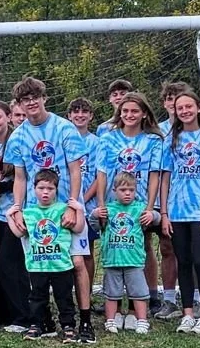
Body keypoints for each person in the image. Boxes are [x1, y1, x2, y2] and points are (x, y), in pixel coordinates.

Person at [6, 76, 93, 343]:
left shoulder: (64, 128)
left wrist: (72, 205)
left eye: (35, 97)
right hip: (36, 213)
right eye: (25, 99)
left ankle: (84, 322)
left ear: (44, 98)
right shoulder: (18, 136)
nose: (31, 102)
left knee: (76, 263)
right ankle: (43, 320)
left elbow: (74, 169)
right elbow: (20, 177)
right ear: (20, 104)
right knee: (38, 266)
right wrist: (18, 207)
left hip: (64, 208)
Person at [94, 91, 163, 326]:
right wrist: (102, 203)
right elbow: (102, 172)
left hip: (140, 202)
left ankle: (136, 308)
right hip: (115, 203)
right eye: (125, 111)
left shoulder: (153, 140)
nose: (130, 115)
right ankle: (114, 307)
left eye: (134, 111)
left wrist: (150, 206)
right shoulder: (108, 138)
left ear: (144, 113)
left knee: (140, 249)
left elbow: (155, 174)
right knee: (115, 247)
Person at [159, 88, 200, 336]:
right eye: (179, 108)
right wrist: (164, 213)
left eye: (188, 106)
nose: (184, 111)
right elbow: (165, 178)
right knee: (183, 262)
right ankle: (187, 314)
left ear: (198, 108)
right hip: (177, 212)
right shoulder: (171, 140)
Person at [19, 169, 79, 343]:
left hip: (61, 264)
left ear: (56, 190)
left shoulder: (63, 209)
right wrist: (11, 214)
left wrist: (78, 209)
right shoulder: (28, 212)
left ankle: (68, 326)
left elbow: (79, 228)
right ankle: (37, 325)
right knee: (37, 297)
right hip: (37, 264)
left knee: (64, 297)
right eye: (41, 188)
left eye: (50, 189)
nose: (45, 192)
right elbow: (19, 233)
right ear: (34, 189)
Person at [0, 100, 28, 332]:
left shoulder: (18, 142)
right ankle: (4, 314)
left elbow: (24, 178)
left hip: (15, 214)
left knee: (10, 266)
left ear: (9, 117)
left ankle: (23, 316)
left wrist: (2, 186)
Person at [101, 173, 152, 335]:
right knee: (111, 293)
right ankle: (110, 320)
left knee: (138, 293)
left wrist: (154, 215)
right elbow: (95, 224)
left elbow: (154, 219)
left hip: (134, 260)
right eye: (123, 190)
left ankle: (142, 320)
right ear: (114, 190)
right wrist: (95, 215)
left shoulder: (140, 208)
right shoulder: (108, 209)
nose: (127, 193)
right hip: (112, 260)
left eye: (131, 189)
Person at [156, 80, 190, 313]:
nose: (173, 102)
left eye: (177, 97)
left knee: (193, 253)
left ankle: (195, 297)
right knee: (167, 248)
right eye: (169, 97)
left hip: (192, 202)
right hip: (163, 199)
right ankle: (168, 298)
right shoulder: (157, 131)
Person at [66, 96, 100, 308]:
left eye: (84, 112)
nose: (79, 115)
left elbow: (99, 176)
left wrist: (82, 199)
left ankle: (85, 297)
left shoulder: (96, 143)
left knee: (86, 253)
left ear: (91, 116)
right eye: (75, 112)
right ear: (69, 116)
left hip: (87, 207)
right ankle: (68, 294)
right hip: (67, 206)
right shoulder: (65, 138)